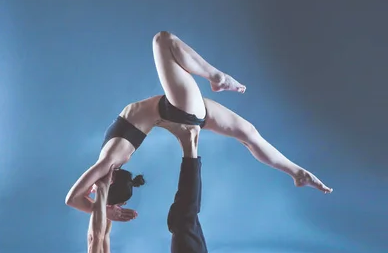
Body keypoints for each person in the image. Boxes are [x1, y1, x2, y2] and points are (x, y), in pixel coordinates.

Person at [64, 31, 332, 224]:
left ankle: (297, 172)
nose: (91, 187)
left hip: (175, 111)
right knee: (163, 41)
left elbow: (83, 195)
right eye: (97, 188)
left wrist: (102, 205)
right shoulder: (109, 163)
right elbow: (72, 199)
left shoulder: (112, 162)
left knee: (248, 133)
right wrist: (103, 210)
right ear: (107, 183)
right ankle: (218, 77)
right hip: (177, 109)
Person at [40, 123, 215, 253]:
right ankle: (189, 144)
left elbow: (102, 234)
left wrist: (106, 209)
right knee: (181, 219)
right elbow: (94, 239)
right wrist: (102, 190)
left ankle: (190, 146)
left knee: (181, 219)